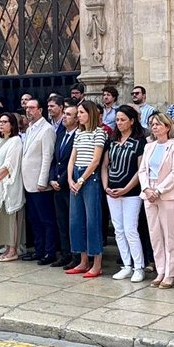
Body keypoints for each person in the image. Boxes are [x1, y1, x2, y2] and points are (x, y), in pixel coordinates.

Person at [139, 113, 174, 288]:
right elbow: (143, 170)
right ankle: (160, 270)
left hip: (168, 194)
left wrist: (158, 190)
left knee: (170, 235)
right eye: (152, 124)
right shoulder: (149, 146)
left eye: (158, 124)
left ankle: (170, 272)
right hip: (149, 193)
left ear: (167, 127)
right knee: (155, 234)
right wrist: (146, 188)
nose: (155, 127)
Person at [103, 106, 146, 282]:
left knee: (130, 229)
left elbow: (140, 169)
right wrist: (106, 186)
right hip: (112, 191)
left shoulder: (140, 141)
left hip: (132, 193)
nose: (119, 123)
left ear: (132, 121)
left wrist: (126, 189)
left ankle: (139, 267)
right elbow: (105, 165)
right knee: (118, 230)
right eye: (117, 120)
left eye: (123, 120)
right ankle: (126, 265)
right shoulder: (112, 140)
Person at [66, 100, 107, 278]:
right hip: (76, 176)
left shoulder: (99, 133)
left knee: (92, 220)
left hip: (90, 178)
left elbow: (96, 160)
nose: (79, 116)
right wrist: (70, 178)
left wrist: (81, 179)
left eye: (82, 112)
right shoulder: (79, 134)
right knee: (76, 220)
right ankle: (83, 261)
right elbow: (72, 158)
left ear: (90, 114)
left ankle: (97, 263)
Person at [21, 97, 57, 263]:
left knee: (46, 220)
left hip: (39, 183)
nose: (29, 110)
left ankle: (49, 252)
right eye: (27, 108)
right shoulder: (29, 129)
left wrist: (43, 180)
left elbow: (47, 156)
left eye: (32, 107)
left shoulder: (47, 129)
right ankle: (38, 249)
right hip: (28, 182)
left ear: (40, 110)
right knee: (34, 219)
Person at [0, 112, 25, 262]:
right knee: (1, 217)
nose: (1, 124)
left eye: (5, 122)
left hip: (8, 184)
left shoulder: (15, 141)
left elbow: (9, 165)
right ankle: (6, 247)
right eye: (0, 122)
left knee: (11, 218)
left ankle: (13, 249)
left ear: (12, 124)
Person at [50, 103, 78, 268]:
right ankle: (65, 253)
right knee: (61, 222)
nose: (65, 117)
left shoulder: (78, 136)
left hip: (69, 185)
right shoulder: (60, 135)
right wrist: (52, 178)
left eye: (68, 114)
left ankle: (76, 255)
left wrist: (61, 181)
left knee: (72, 222)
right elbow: (55, 159)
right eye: (65, 114)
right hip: (57, 185)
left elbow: (72, 163)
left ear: (76, 119)